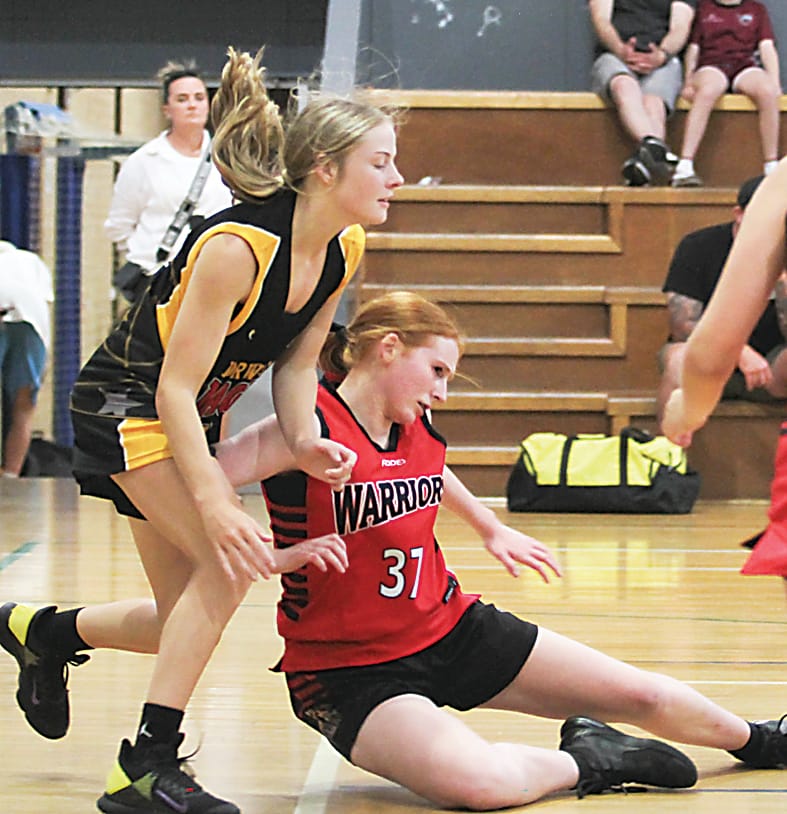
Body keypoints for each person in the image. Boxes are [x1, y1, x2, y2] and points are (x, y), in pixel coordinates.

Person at [0, 47, 403, 814]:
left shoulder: (344, 247)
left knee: (175, 618)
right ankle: (144, 768)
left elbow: (292, 367)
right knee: (225, 567)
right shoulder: (235, 248)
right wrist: (218, 501)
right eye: (380, 163)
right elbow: (174, 390)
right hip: (130, 403)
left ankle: (45, 632)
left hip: (184, 414)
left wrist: (303, 434)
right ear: (324, 168)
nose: (395, 179)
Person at [214, 290, 787, 810]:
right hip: (349, 671)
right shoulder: (304, 428)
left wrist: (490, 526)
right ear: (387, 348)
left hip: (448, 627)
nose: (441, 390)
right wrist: (264, 551)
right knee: (481, 785)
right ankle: (589, 757)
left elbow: (429, 469)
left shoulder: (413, 418)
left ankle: (760, 739)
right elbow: (201, 483)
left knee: (641, 691)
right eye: (436, 370)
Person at [662, 158, 787, 577]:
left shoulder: (782, 184)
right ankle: (664, 472)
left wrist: (687, 410)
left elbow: (711, 352)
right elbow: (685, 329)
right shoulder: (700, 246)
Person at [656, 174, 787, 433]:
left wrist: (782, 280)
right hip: (706, 362)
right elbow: (683, 326)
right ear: (739, 214)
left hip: (770, 367)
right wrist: (738, 351)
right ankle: (665, 458)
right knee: (677, 359)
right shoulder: (700, 246)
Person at [104, 59, 233, 302]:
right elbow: (119, 225)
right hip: (159, 279)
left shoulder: (227, 158)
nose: (192, 106)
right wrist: (146, 255)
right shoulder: (144, 161)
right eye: (182, 99)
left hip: (216, 276)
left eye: (198, 98)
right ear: (167, 109)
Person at [671, 0, 781, 187]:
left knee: (767, 91)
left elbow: (766, 47)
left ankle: (771, 165)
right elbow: (694, 48)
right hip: (712, 65)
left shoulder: (755, 9)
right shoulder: (704, 8)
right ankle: (685, 164)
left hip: (744, 65)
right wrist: (688, 79)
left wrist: (774, 80)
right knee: (708, 90)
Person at [588, 0, 697, 186]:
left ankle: (643, 161)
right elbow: (600, 19)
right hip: (615, 55)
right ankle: (652, 147)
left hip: (662, 59)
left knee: (654, 103)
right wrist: (622, 51)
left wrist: (661, 55)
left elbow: (680, 27)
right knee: (623, 85)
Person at [0, 240, 53, 476]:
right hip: (32, 321)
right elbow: (44, 301)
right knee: (24, 405)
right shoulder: (31, 263)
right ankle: (11, 474)